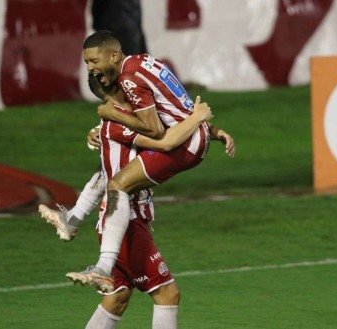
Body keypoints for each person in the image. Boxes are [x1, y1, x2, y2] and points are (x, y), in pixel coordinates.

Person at [40, 73, 221, 329]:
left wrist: (214, 132)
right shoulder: (120, 123)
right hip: (127, 221)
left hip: (116, 219)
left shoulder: (120, 121)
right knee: (167, 294)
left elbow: (163, 130)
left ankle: (74, 223)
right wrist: (198, 117)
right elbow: (167, 141)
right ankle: (98, 261)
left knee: (117, 298)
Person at [73, 30, 234, 292]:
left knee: (117, 185)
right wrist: (210, 129)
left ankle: (100, 263)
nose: (91, 69)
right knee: (119, 299)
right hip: (195, 134)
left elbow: (157, 132)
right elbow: (174, 104)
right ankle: (76, 224)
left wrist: (109, 113)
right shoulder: (143, 61)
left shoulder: (128, 78)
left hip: (185, 140)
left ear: (114, 55)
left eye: (93, 61)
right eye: (87, 63)